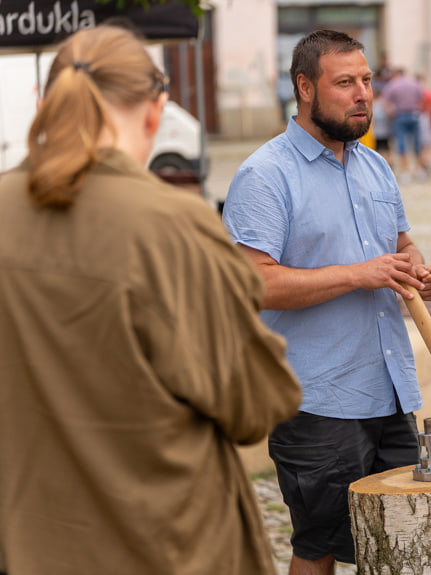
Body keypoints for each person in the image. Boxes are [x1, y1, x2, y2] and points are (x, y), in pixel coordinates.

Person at [0, 25, 302, 575]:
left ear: (44, 105)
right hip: (166, 545)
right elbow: (255, 404)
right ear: (155, 109)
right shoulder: (171, 226)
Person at [221, 29, 431, 575]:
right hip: (314, 400)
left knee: (404, 542)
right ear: (304, 87)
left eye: (366, 80)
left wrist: (417, 270)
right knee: (318, 549)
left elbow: (400, 245)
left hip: (389, 392)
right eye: (344, 83)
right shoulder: (265, 175)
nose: (363, 93)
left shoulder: (375, 165)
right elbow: (251, 284)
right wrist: (355, 275)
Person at [381, 67, 426, 180]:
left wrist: (390, 114)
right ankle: (419, 169)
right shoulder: (414, 83)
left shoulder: (393, 84)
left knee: (401, 143)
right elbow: (422, 98)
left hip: (399, 115)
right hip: (414, 114)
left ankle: (404, 171)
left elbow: (384, 101)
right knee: (417, 142)